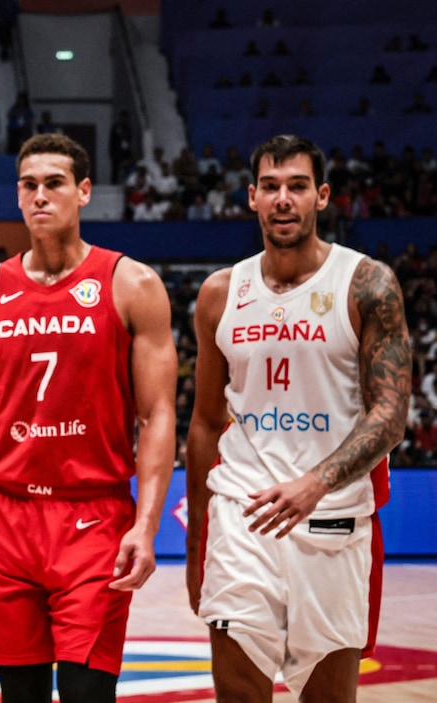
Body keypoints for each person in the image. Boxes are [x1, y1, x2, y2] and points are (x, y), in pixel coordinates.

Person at [185, 134, 411, 702]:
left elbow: (390, 416)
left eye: (297, 186)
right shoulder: (219, 294)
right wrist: (195, 547)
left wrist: (316, 483)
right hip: (243, 512)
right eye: (270, 186)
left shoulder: (367, 283)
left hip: (332, 514)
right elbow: (206, 424)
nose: (283, 198)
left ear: (323, 196)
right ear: (252, 198)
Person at [0, 132, 177, 702]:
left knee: (87, 695)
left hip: (94, 516)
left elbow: (158, 414)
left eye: (54, 183)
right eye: (29, 185)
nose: (40, 196)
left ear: (83, 191)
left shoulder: (131, 283)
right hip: (7, 518)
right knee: (20, 697)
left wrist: (147, 526)